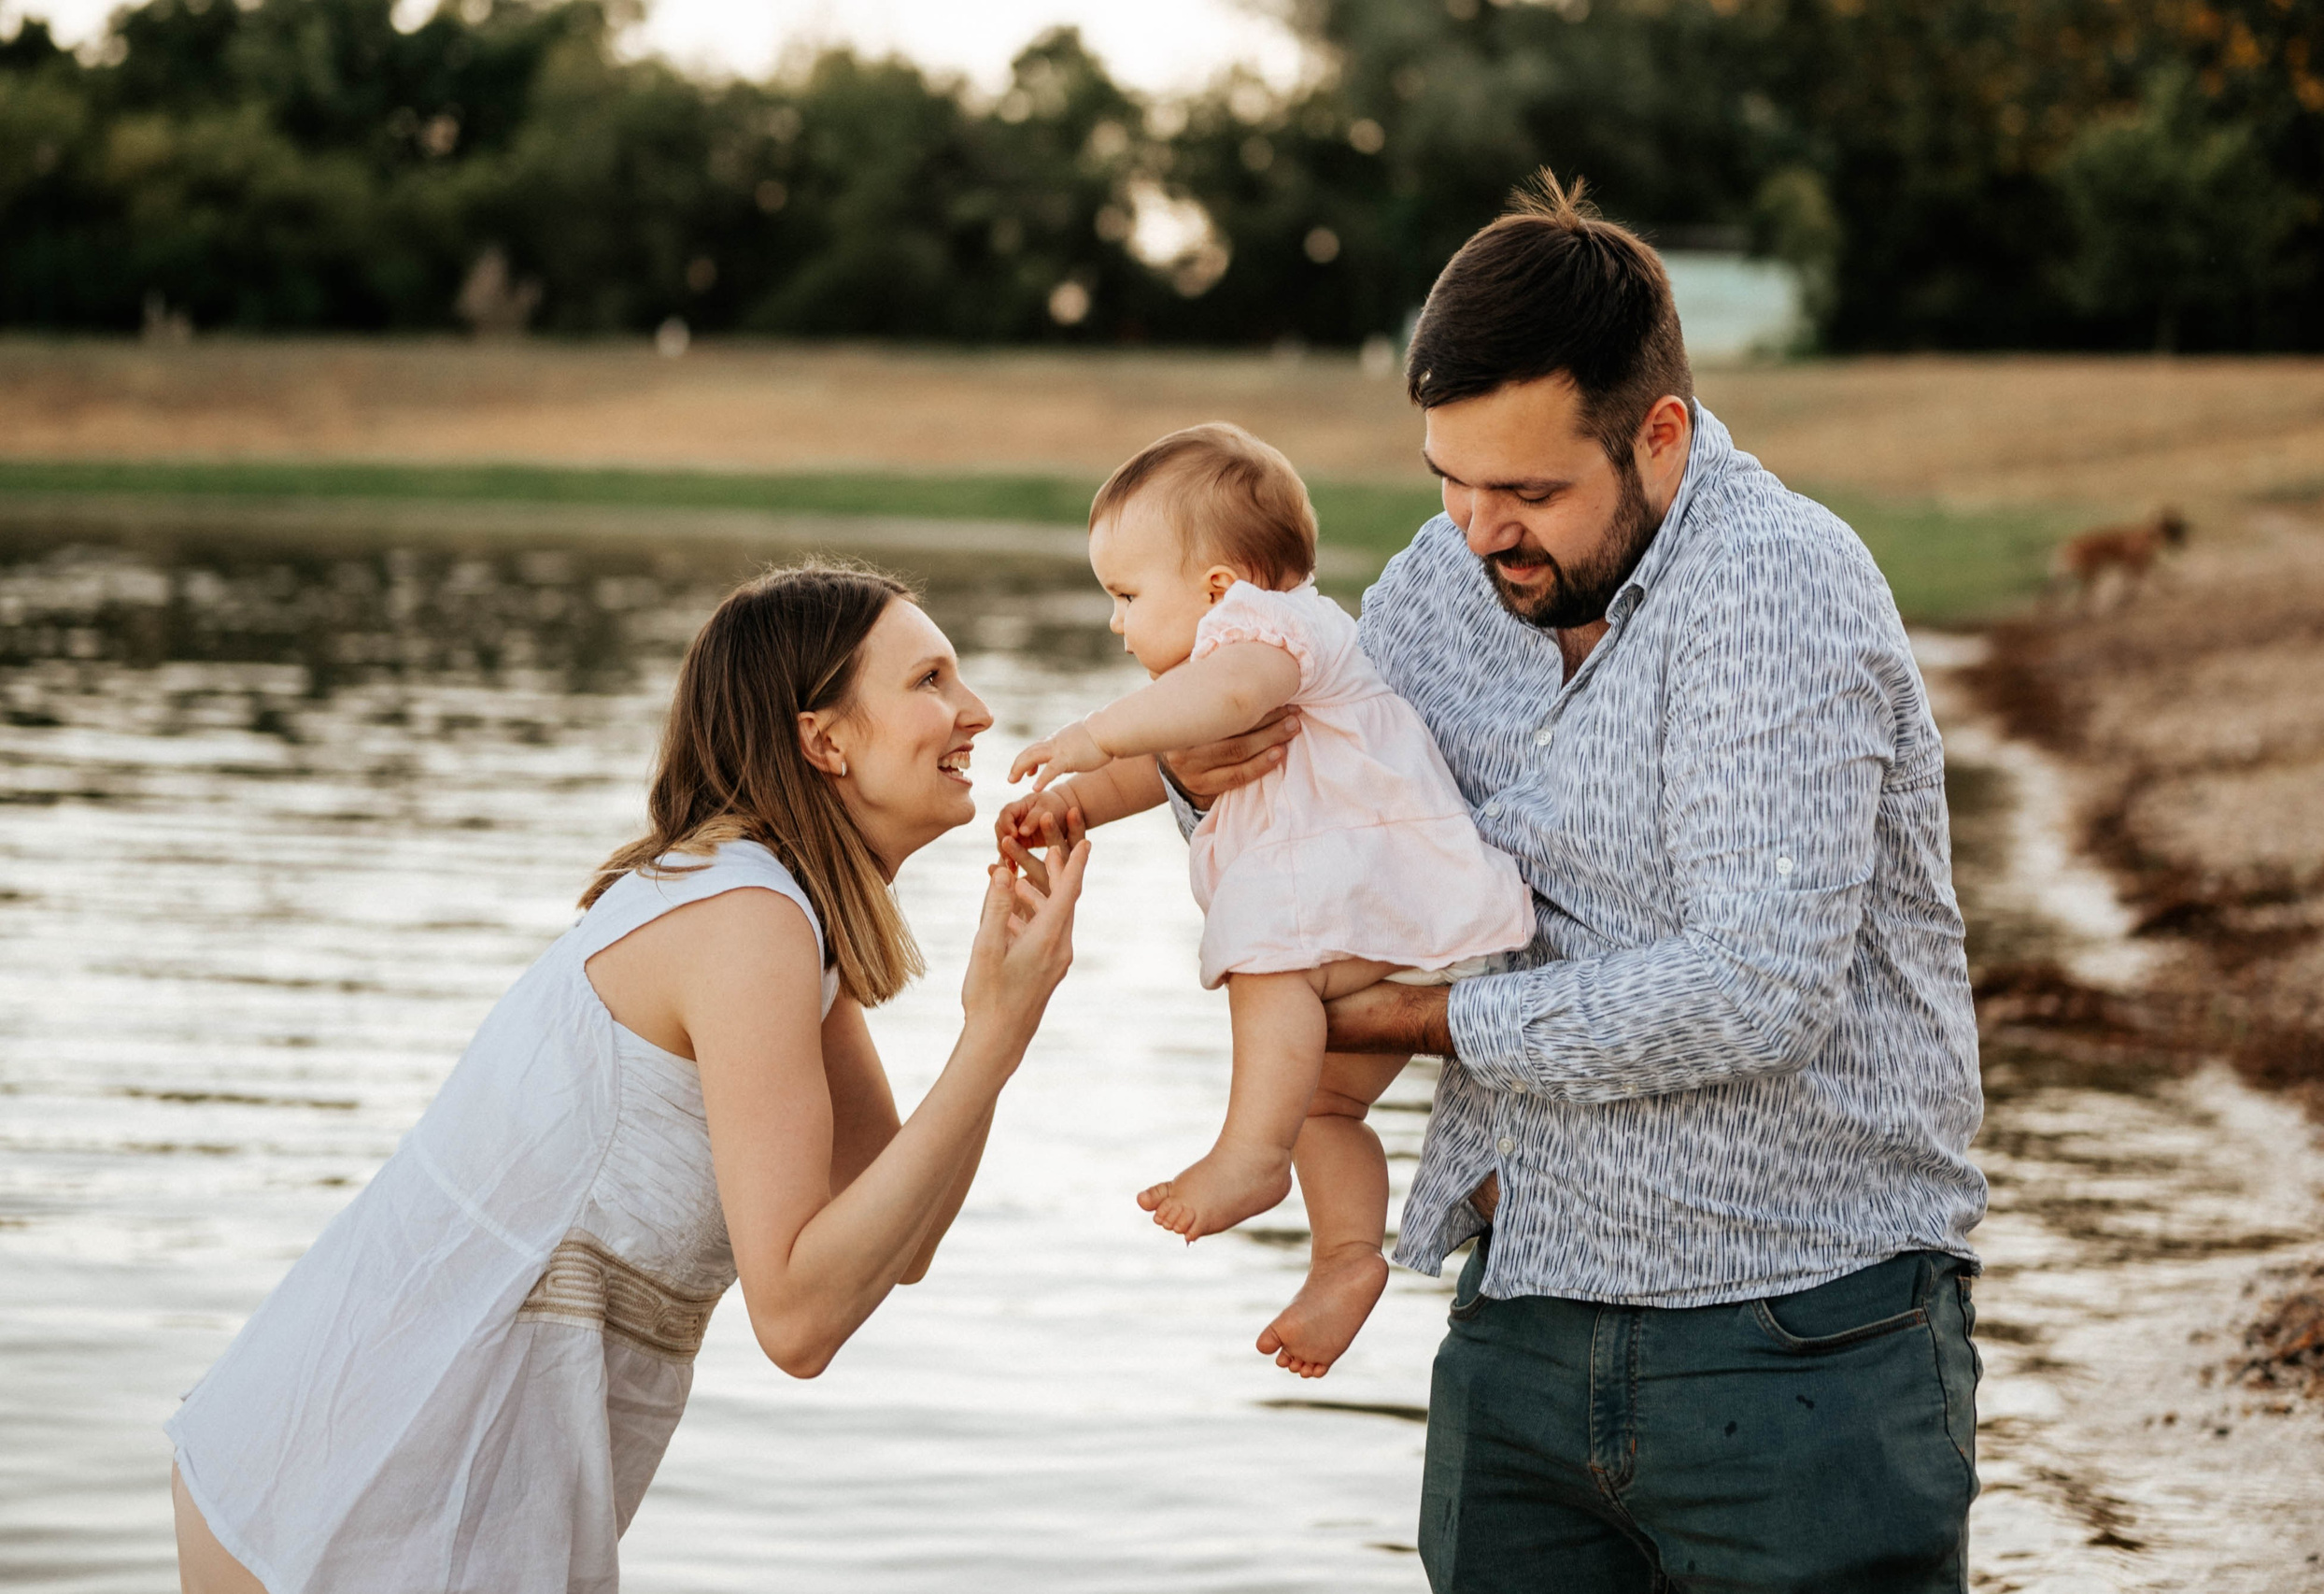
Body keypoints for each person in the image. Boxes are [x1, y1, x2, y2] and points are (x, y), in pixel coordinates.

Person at [1158, 173, 1988, 1590]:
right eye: (1453, 481)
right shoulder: (1440, 581)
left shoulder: (1779, 584)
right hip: (1524, 1309)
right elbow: (1328, 833)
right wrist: (1192, 774)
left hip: (1803, 1333)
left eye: (1531, 490)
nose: (1482, 528)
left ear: (1658, 434)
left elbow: (1756, 989)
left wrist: (1429, 1024)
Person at [165, 562, 1090, 1594]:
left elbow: (899, 1241)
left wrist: (1000, 1018)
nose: (977, 709)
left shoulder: (778, 911)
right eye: (930, 679)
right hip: (369, 1487)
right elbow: (799, 1320)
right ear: (824, 738)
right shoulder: (746, 917)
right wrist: (994, 1035)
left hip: (375, 1463)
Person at [1001, 422, 1532, 1378]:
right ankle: (1344, 1257)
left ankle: (1249, 1154)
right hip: (1386, 911)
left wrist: (1091, 732)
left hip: (1377, 893)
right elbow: (1170, 757)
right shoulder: (1223, 669)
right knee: (1324, 1106)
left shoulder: (1268, 632)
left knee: (1262, 956)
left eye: (1125, 595)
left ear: (1217, 587)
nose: (1117, 624)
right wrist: (1069, 803)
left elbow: (1215, 705)